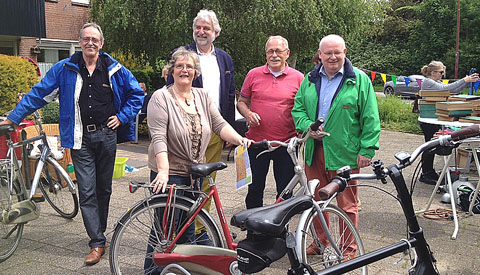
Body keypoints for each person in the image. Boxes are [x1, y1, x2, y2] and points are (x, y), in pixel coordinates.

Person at [0, 23, 144, 265]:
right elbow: (39, 93)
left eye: (94, 39)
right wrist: (14, 117)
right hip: (80, 139)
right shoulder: (65, 68)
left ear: (101, 43)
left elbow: (136, 95)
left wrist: (121, 117)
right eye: (86, 38)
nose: (90, 43)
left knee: (104, 190)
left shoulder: (114, 68)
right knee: (87, 190)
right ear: (79, 42)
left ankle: (100, 231)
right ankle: (97, 242)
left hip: (107, 135)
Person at [145, 47, 250, 272]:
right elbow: (159, 137)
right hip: (170, 172)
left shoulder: (202, 96)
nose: (185, 70)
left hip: (194, 173)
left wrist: (239, 139)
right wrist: (163, 170)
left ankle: (187, 269)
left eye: (190, 67)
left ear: (195, 72)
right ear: (171, 71)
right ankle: (152, 271)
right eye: (180, 66)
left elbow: (219, 124)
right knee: (164, 231)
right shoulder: (161, 97)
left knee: (189, 228)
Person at [291, 34, 380, 256]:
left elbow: (370, 117)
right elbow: (298, 109)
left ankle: (348, 248)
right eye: (328, 53)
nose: (332, 57)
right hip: (314, 150)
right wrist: (308, 127)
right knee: (316, 200)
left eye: (337, 52)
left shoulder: (359, 80)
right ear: (319, 55)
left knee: (347, 204)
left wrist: (367, 149)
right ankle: (322, 243)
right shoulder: (310, 79)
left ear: (344, 53)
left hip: (345, 152)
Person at [166, 9, 236, 241]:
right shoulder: (182, 55)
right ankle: (180, 231)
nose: (201, 31)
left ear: (216, 32)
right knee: (186, 181)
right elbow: (169, 91)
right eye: (198, 27)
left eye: (206, 28)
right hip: (189, 131)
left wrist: (229, 129)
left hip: (215, 130)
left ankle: (198, 229)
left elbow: (229, 95)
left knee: (207, 182)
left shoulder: (225, 58)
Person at [237, 36, 304, 213]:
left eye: (278, 51)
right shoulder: (253, 74)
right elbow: (241, 102)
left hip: (286, 144)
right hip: (257, 143)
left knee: (285, 191)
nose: (274, 55)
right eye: (270, 51)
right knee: (254, 190)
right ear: (266, 54)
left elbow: (305, 108)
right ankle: (254, 232)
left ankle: (280, 233)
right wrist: (248, 113)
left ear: (287, 54)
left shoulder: (298, 78)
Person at [418, 61, 479, 184]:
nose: (442, 74)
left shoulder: (436, 82)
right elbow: (445, 88)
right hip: (428, 121)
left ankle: (429, 172)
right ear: (432, 72)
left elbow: (452, 90)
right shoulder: (428, 82)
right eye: (441, 72)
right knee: (430, 146)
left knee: (432, 145)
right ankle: (426, 174)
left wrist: (467, 82)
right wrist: (464, 80)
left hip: (433, 119)